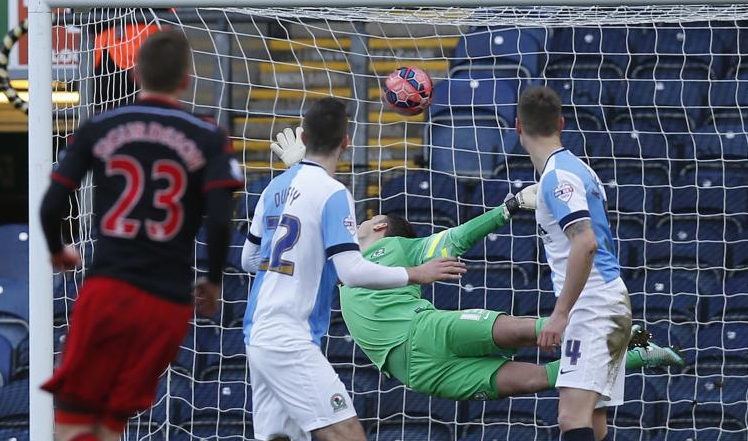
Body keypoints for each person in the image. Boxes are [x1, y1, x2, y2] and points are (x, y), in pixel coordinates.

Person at [0, 30, 240, 441]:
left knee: (71, 430)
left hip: (112, 290)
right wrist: (214, 280)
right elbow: (222, 219)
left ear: (133, 74)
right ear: (188, 78)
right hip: (170, 303)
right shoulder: (209, 135)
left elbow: (52, 203)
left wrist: (56, 250)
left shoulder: (100, 126)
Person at [186, 97, 465, 441]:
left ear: (303, 135)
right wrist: (416, 273)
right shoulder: (334, 193)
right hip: (290, 332)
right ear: (346, 140)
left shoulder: (274, 185)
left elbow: (248, 261)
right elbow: (352, 271)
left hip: (258, 329)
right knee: (349, 440)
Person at [264, 127, 682, 404]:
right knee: (537, 380)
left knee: (523, 332)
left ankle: (611, 328)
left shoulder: (397, 249)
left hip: (425, 329)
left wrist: (509, 207)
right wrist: (301, 169)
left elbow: (458, 237)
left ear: (379, 225)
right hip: (417, 372)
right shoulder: (341, 256)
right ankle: (639, 354)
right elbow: (308, 219)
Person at [516, 86, 633, 441]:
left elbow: (584, 243)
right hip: (605, 301)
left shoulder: (560, 177)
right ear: (561, 123)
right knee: (594, 426)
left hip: (592, 305)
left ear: (517, 128)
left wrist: (561, 313)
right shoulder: (571, 169)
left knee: (571, 418)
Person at [82, 0, 190, 109]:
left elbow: (153, 8)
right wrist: (128, 2)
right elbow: (80, 15)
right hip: (103, 67)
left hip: (150, 64)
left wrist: (104, 6)